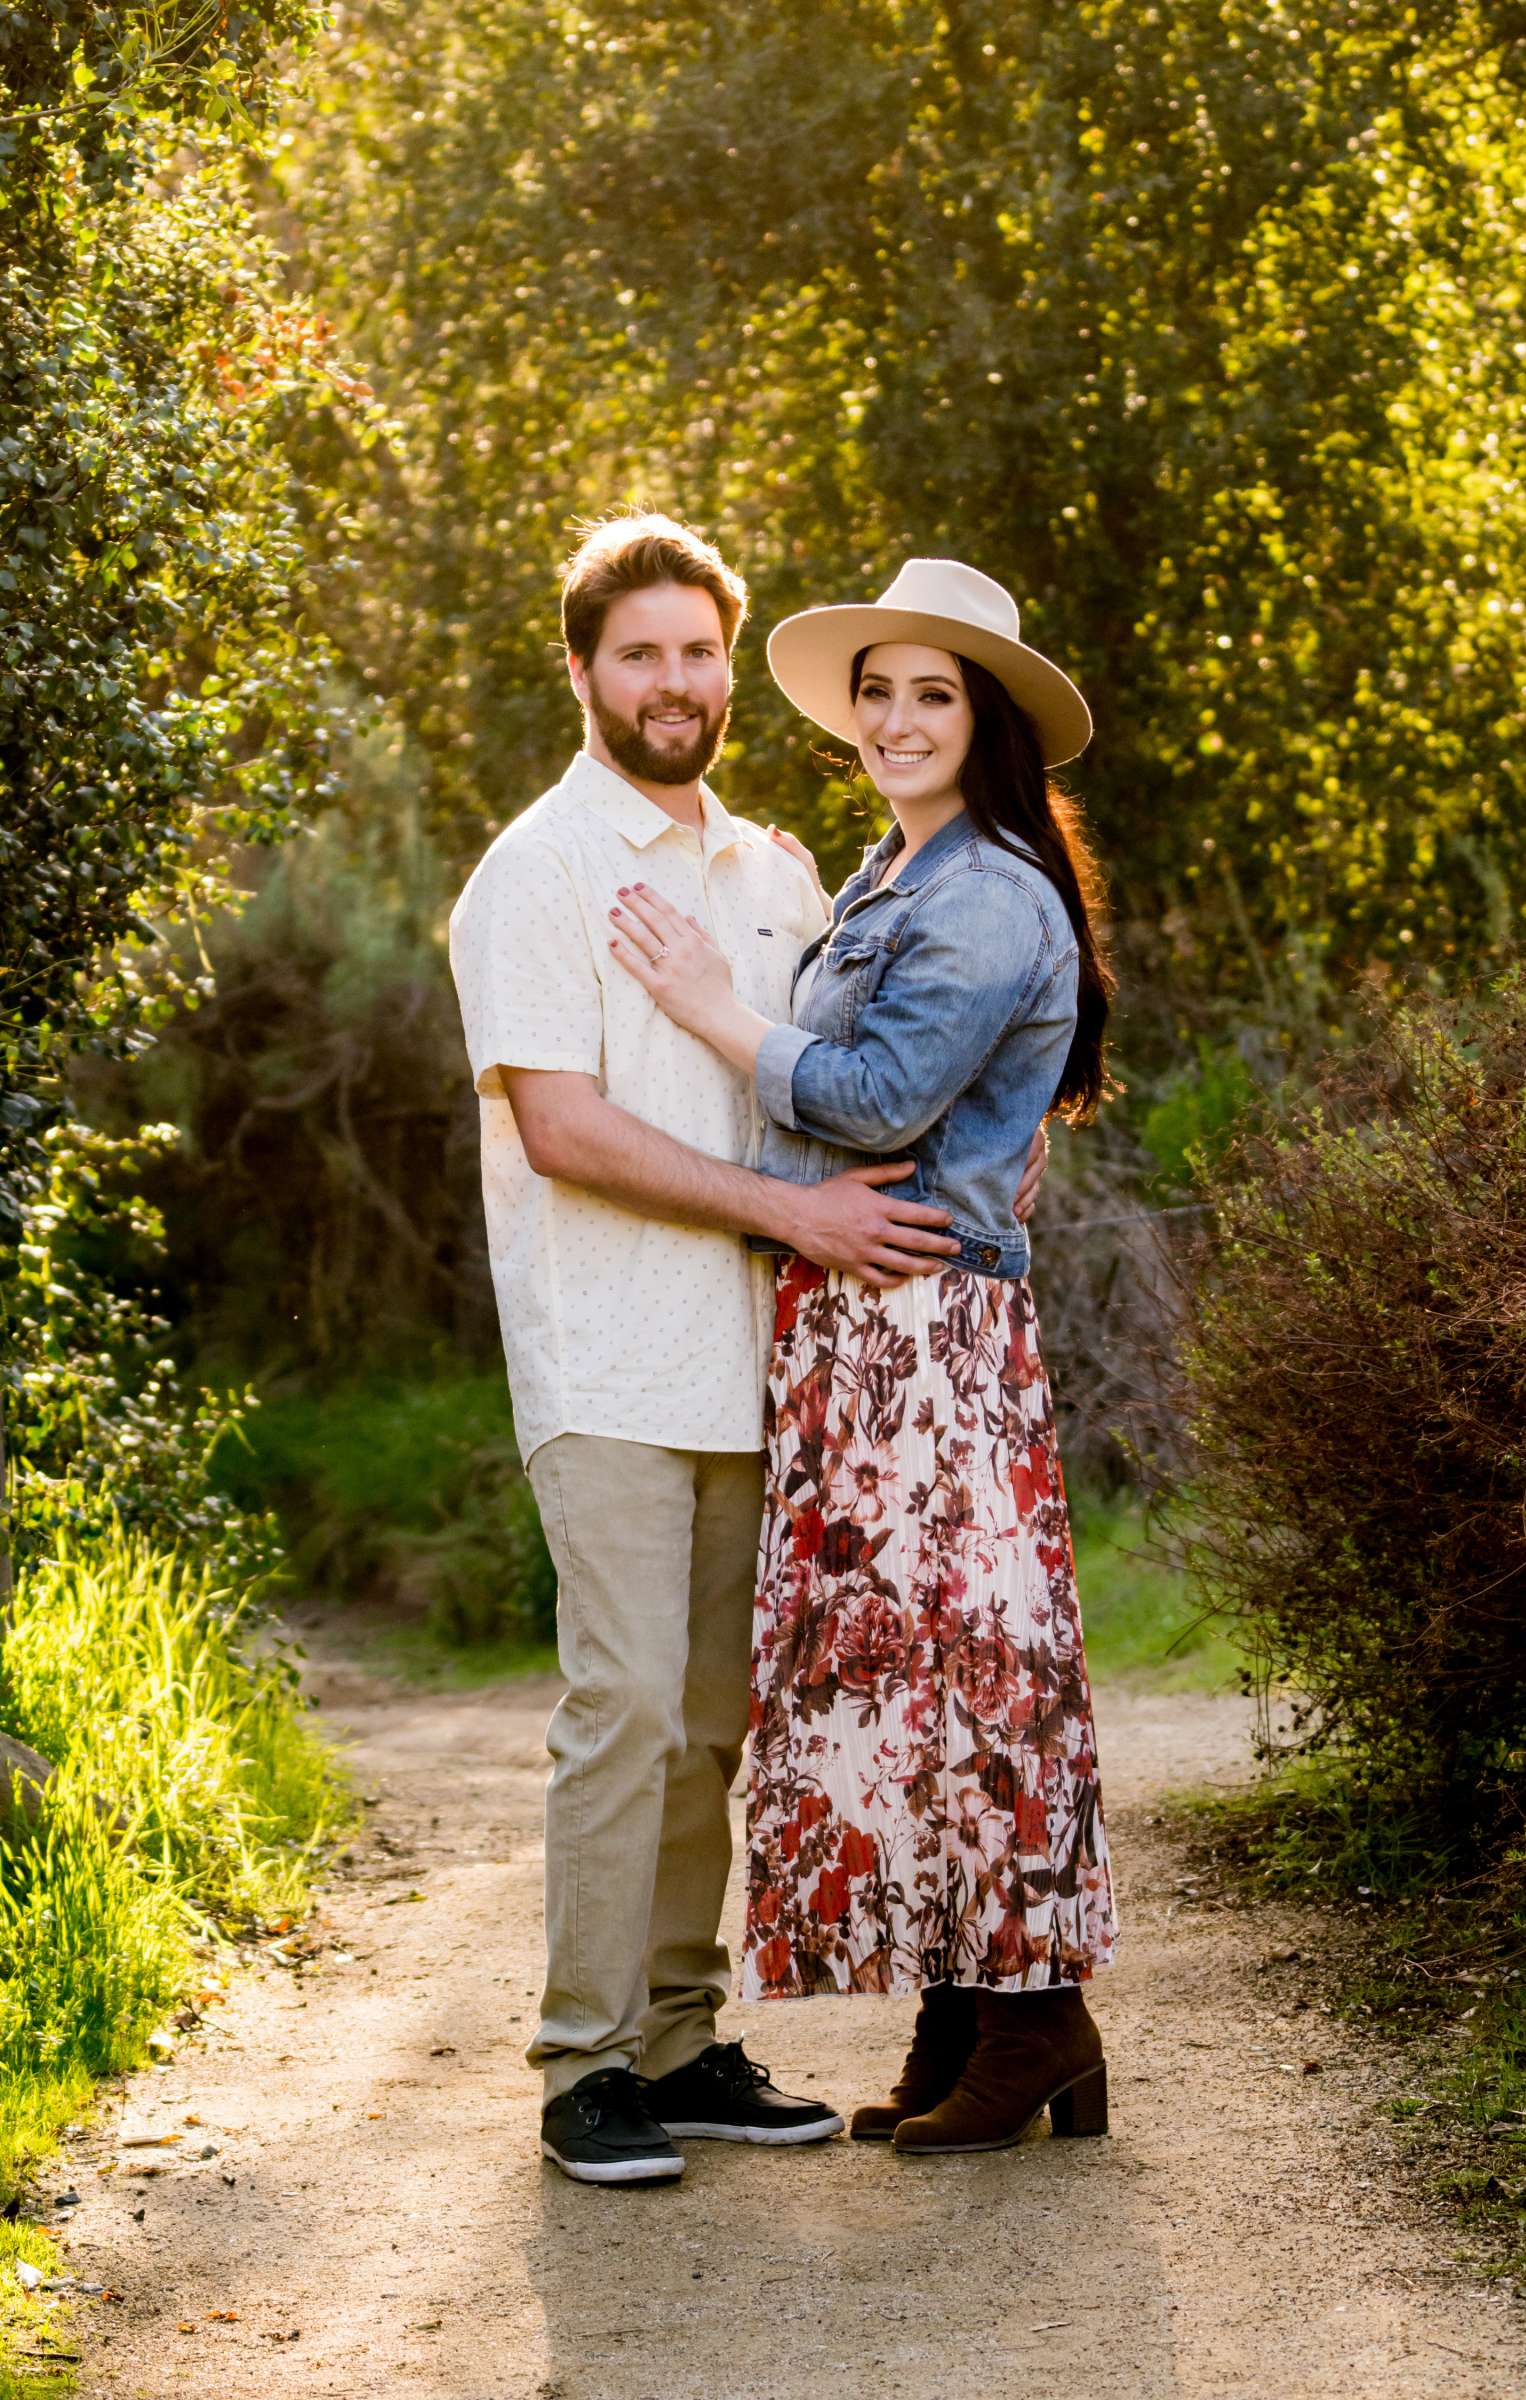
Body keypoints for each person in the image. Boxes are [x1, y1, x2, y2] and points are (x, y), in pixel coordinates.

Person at [448, 515, 1047, 2186]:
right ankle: (583, 2069)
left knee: (719, 1717)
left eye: (697, 651)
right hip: (610, 1358)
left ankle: (679, 2040)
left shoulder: (786, 873)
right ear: (580, 672)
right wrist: (793, 1219)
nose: (673, 682)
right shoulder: (538, 874)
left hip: (772, 1365)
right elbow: (564, 1130)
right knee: (627, 1703)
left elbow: (891, 1064)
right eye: (637, 653)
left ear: (730, 668)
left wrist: (993, 1146)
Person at [609, 556, 1119, 2156]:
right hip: (861, 1326)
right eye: (880, 691)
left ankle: (1037, 2013)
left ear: (989, 725)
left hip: (929, 1335)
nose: (899, 720)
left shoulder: (983, 888)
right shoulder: (893, 875)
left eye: (936, 694)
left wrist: (708, 1009)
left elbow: (884, 1096)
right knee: (908, 1679)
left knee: (971, 1673)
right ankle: (974, 2004)